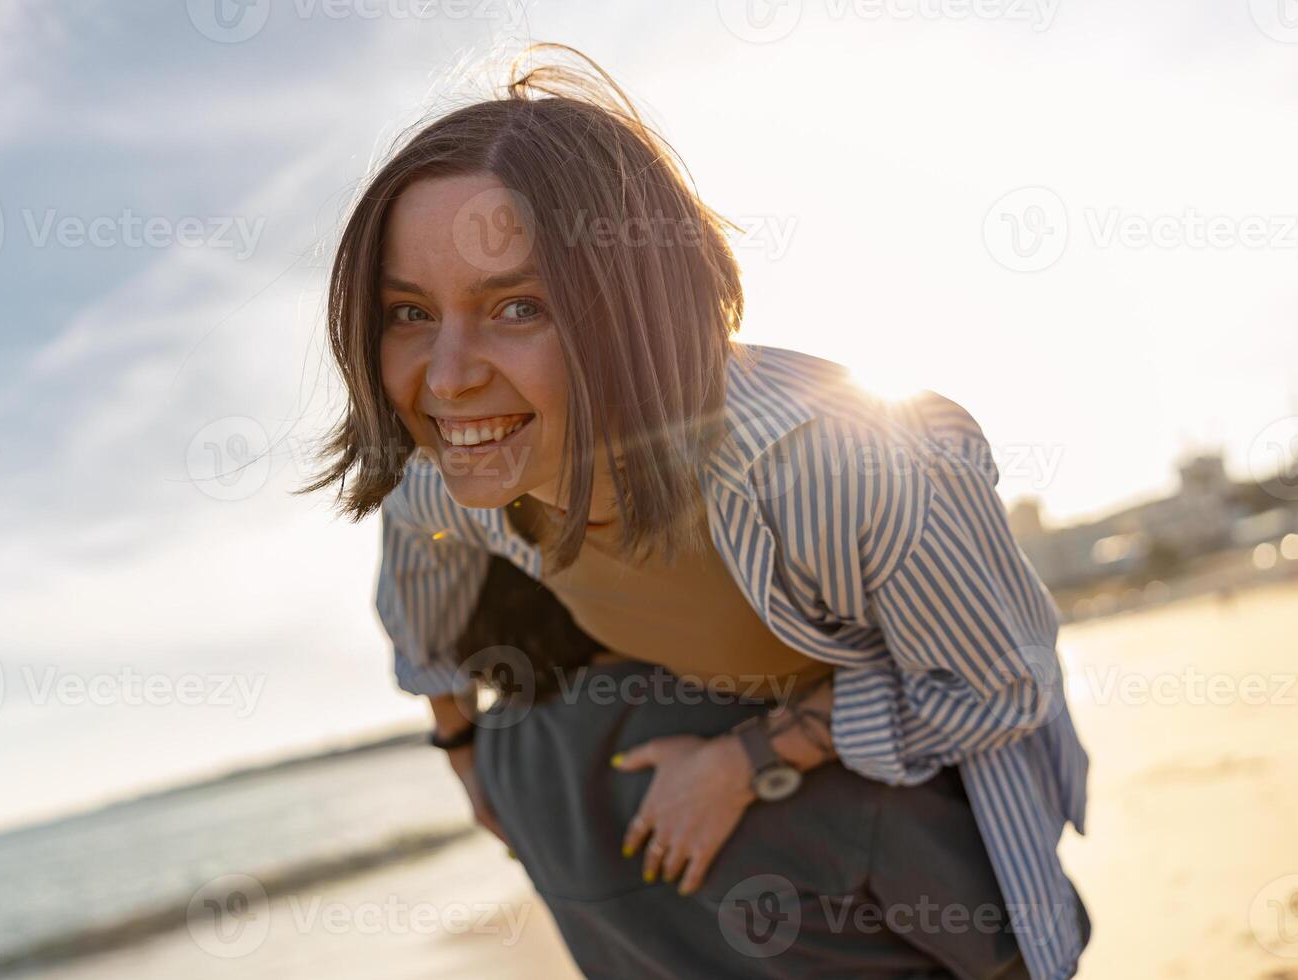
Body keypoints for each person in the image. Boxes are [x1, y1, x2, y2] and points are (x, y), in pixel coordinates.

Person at [302, 42, 1092, 980]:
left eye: (516, 307)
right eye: (408, 314)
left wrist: (747, 763)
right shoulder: (442, 488)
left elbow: (996, 687)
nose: (447, 376)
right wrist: (465, 754)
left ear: (636, 301)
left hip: (925, 774)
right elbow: (418, 617)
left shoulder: (843, 465)